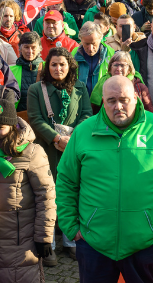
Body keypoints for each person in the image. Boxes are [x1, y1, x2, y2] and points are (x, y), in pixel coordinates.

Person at [56, 76, 153, 282]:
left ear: (136, 98)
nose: (118, 106)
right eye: (111, 100)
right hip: (94, 242)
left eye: (124, 99)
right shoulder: (84, 132)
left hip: (145, 241)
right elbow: (66, 180)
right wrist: (70, 227)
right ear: (103, 100)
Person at [0, 99, 58, 274]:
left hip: (20, 240)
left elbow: (46, 195)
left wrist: (44, 236)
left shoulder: (31, 152)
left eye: (0, 127)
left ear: (12, 126)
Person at [26, 47, 93, 259]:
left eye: (62, 64)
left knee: (71, 193)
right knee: (48, 195)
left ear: (70, 66)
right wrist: (57, 138)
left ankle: (70, 239)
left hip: (72, 150)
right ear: (48, 66)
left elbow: (86, 115)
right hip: (46, 150)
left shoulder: (80, 87)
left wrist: (72, 139)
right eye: (53, 64)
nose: (58, 68)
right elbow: (35, 119)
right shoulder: (36, 89)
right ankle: (50, 245)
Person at [10, 32, 44, 112]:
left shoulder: (47, 68)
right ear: (20, 48)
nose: (30, 51)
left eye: (33, 47)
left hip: (43, 116)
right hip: (19, 117)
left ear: (39, 48)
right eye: (26, 47)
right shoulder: (11, 70)